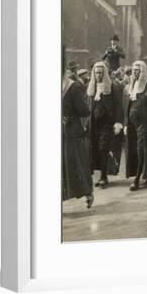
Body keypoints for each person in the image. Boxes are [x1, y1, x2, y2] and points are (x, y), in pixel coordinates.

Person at [87, 61, 123, 189]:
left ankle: (104, 176)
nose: (98, 75)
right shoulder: (91, 87)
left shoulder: (113, 86)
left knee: (103, 149)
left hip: (107, 123)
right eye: (96, 73)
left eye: (101, 73)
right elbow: (88, 106)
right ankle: (99, 175)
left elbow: (118, 106)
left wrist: (118, 122)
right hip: (94, 124)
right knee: (95, 149)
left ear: (105, 73)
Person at [62, 61, 93, 209]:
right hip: (64, 131)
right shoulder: (71, 85)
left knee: (77, 163)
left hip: (73, 133)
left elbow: (84, 110)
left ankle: (88, 192)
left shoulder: (73, 86)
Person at [123, 61, 147, 191]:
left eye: (138, 70)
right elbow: (128, 106)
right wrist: (126, 123)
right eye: (133, 70)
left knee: (141, 148)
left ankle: (137, 179)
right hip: (132, 123)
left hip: (144, 123)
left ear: (143, 71)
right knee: (134, 149)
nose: (135, 72)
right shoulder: (130, 85)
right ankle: (145, 173)